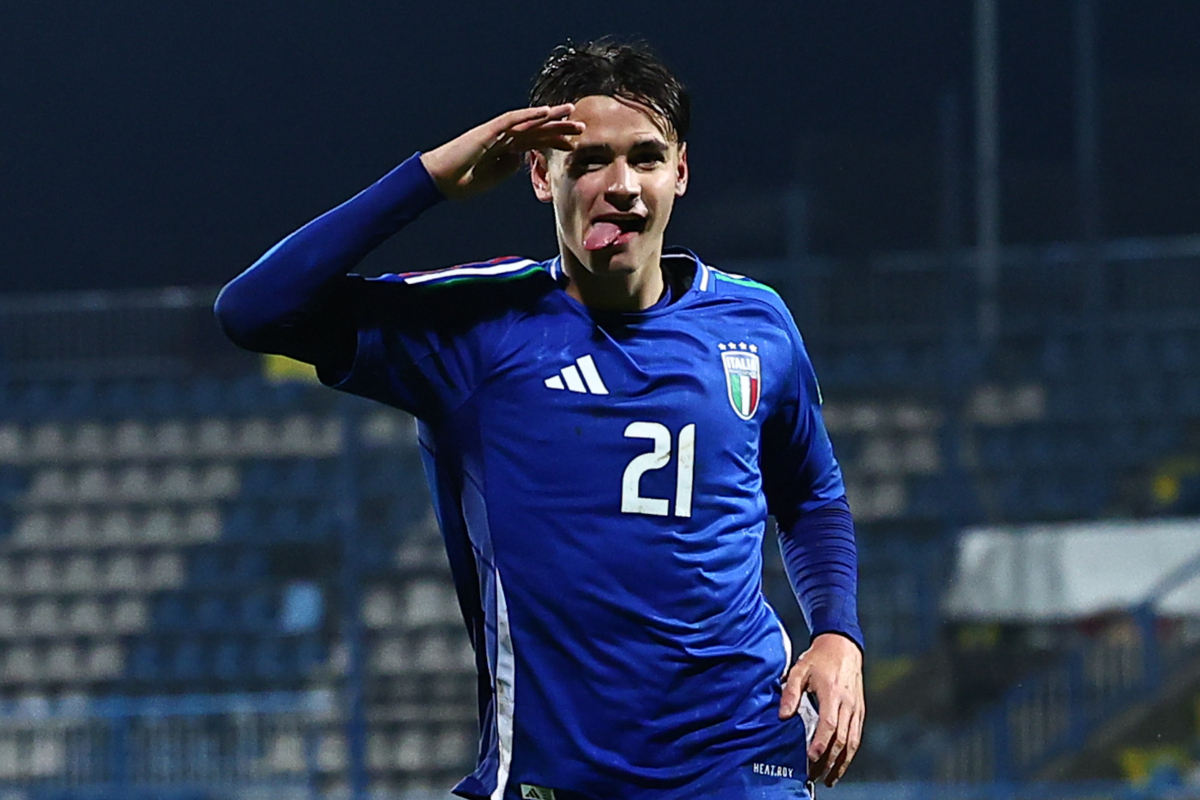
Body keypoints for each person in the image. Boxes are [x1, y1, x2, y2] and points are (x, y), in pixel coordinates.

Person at [215, 39, 864, 800]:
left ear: (680, 172)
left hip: (738, 767)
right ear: (539, 173)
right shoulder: (477, 329)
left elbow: (811, 496)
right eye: (589, 161)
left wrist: (837, 631)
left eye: (647, 158)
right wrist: (429, 179)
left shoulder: (757, 325)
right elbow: (254, 310)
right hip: (556, 780)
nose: (621, 186)